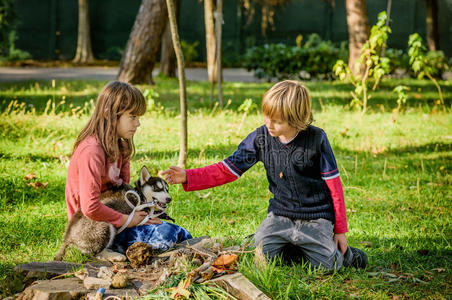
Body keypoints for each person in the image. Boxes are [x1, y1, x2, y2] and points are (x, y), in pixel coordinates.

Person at [163, 80, 367, 271]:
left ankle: (346, 255)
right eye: (266, 116)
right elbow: (228, 168)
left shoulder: (317, 139)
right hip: (280, 216)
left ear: (297, 119)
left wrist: (340, 230)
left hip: (316, 218)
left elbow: (335, 186)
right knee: (258, 256)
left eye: (276, 121)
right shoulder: (261, 137)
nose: (269, 124)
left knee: (329, 266)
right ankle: (285, 243)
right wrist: (188, 176)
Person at [65, 81, 192, 257]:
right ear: (109, 114)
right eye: (132, 117)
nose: (138, 123)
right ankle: (100, 253)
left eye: (138, 117)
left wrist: (145, 214)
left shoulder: (119, 147)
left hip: (117, 219)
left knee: (178, 232)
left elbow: (123, 192)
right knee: (166, 236)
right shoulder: (92, 151)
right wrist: (128, 220)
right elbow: (90, 207)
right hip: (91, 229)